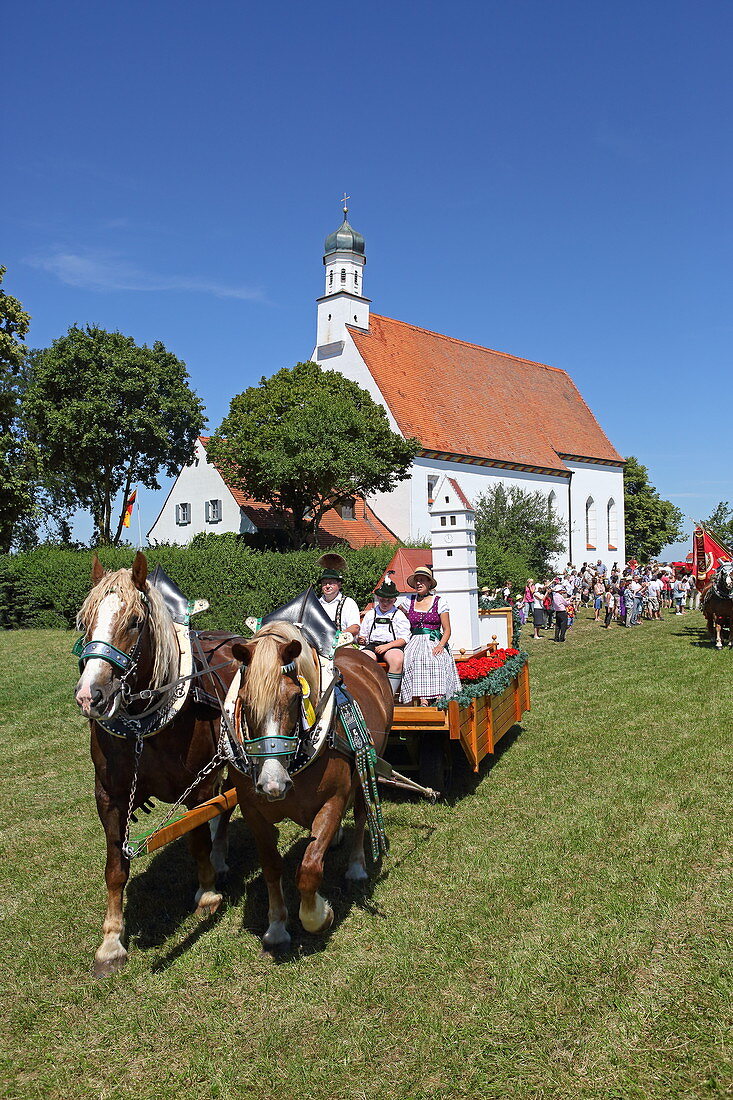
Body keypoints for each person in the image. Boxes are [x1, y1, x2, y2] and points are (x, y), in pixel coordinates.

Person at [398, 565, 460, 706]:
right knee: (412, 659)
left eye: (422, 580)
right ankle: (422, 699)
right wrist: (371, 612)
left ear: (429, 583)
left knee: (437, 658)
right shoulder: (409, 601)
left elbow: (447, 629)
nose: (418, 583)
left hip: (434, 639)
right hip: (414, 640)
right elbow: (394, 613)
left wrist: (440, 645)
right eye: (416, 581)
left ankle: (439, 697)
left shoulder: (439, 601)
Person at [358, 577, 411, 698]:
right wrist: (361, 639)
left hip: (392, 645)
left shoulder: (399, 615)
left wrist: (387, 646)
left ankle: (388, 696)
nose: (385, 603)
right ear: (378, 599)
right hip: (372, 645)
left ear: (394, 600)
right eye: (382, 600)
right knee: (363, 659)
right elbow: (363, 634)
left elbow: (404, 639)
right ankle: (369, 694)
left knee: (397, 660)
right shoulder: (371, 614)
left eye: (389, 601)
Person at [317, 557, 360, 639]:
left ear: (339, 585)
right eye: (324, 583)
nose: (327, 586)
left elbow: (355, 628)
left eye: (331, 583)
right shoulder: (316, 604)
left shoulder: (349, 603)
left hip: (342, 643)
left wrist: (337, 636)